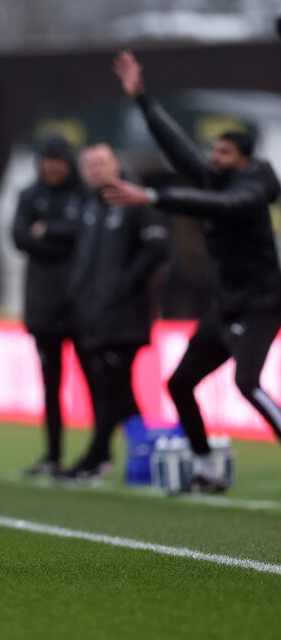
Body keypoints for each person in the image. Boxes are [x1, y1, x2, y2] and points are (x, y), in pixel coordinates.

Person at [104, 50, 281, 492]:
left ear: (243, 158)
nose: (213, 157)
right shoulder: (213, 178)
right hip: (227, 306)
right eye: (213, 150)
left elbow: (223, 205)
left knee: (247, 383)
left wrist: (154, 197)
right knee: (180, 383)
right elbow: (176, 145)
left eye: (223, 152)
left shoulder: (252, 188)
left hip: (261, 305)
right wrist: (142, 98)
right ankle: (207, 469)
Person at [59, 142, 169, 481]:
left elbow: (157, 249)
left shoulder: (134, 200)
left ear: (116, 165)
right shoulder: (90, 205)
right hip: (94, 315)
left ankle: (95, 458)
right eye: (89, 165)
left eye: (101, 163)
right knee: (118, 389)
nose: (95, 170)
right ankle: (149, 455)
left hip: (125, 315)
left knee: (112, 387)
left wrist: (122, 286)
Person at [11, 135, 87, 477]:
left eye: (57, 161)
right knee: (51, 386)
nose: (51, 168)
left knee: (96, 382)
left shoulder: (83, 193)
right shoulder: (30, 195)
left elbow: (85, 235)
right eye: (46, 161)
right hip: (43, 307)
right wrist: (61, 240)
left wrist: (49, 231)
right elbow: (19, 237)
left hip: (81, 306)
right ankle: (53, 457)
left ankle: (99, 456)